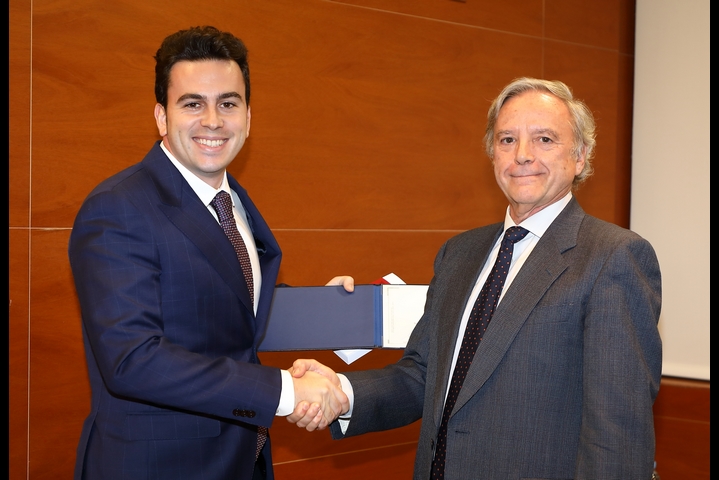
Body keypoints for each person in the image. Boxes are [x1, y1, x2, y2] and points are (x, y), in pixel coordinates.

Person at [290, 77, 663, 479]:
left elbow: (616, 437)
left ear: (580, 157)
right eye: (507, 140)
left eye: (544, 139)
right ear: (492, 153)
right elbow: (423, 375)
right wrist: (342, 393)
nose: (522, 155)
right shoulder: (459, 253)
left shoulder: (613, 257)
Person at [68, 25, 351, 480]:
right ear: (161, 116)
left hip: (241, 460)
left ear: (248, 117)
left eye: (228, 103)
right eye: (193, 104)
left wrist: (330, 311)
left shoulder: (232, 201)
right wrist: (285, 392)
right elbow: (132, 359)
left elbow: (228, 308)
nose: (214, 121)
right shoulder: (119, 207)